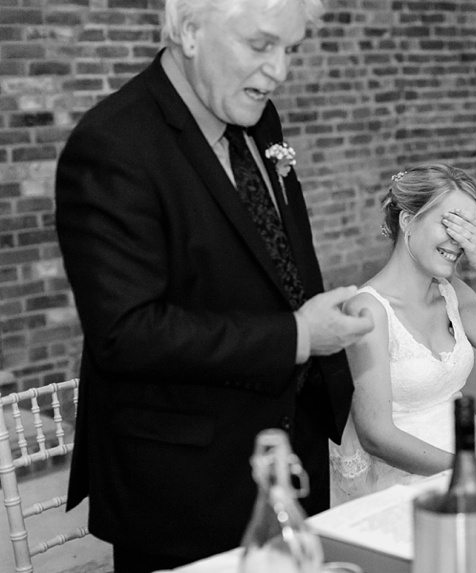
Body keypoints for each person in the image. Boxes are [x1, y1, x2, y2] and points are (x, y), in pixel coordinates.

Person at [54, 0, 374, 570]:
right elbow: (126, 333)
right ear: (191, 31)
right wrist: (298, 335)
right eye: (260, 45)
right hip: (186, 481)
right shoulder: (114, 144)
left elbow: (268, 261)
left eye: (289, 50)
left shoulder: (258, 116)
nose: (279, 71)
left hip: (287, 452)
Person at [329, 164, 476, 503]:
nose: (460, 240)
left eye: (470, 228)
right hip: (411, 479)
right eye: (450, 222)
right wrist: (468, 472)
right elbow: (376, 435)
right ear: (407, 220)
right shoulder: (368, 309)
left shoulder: (450, 291)